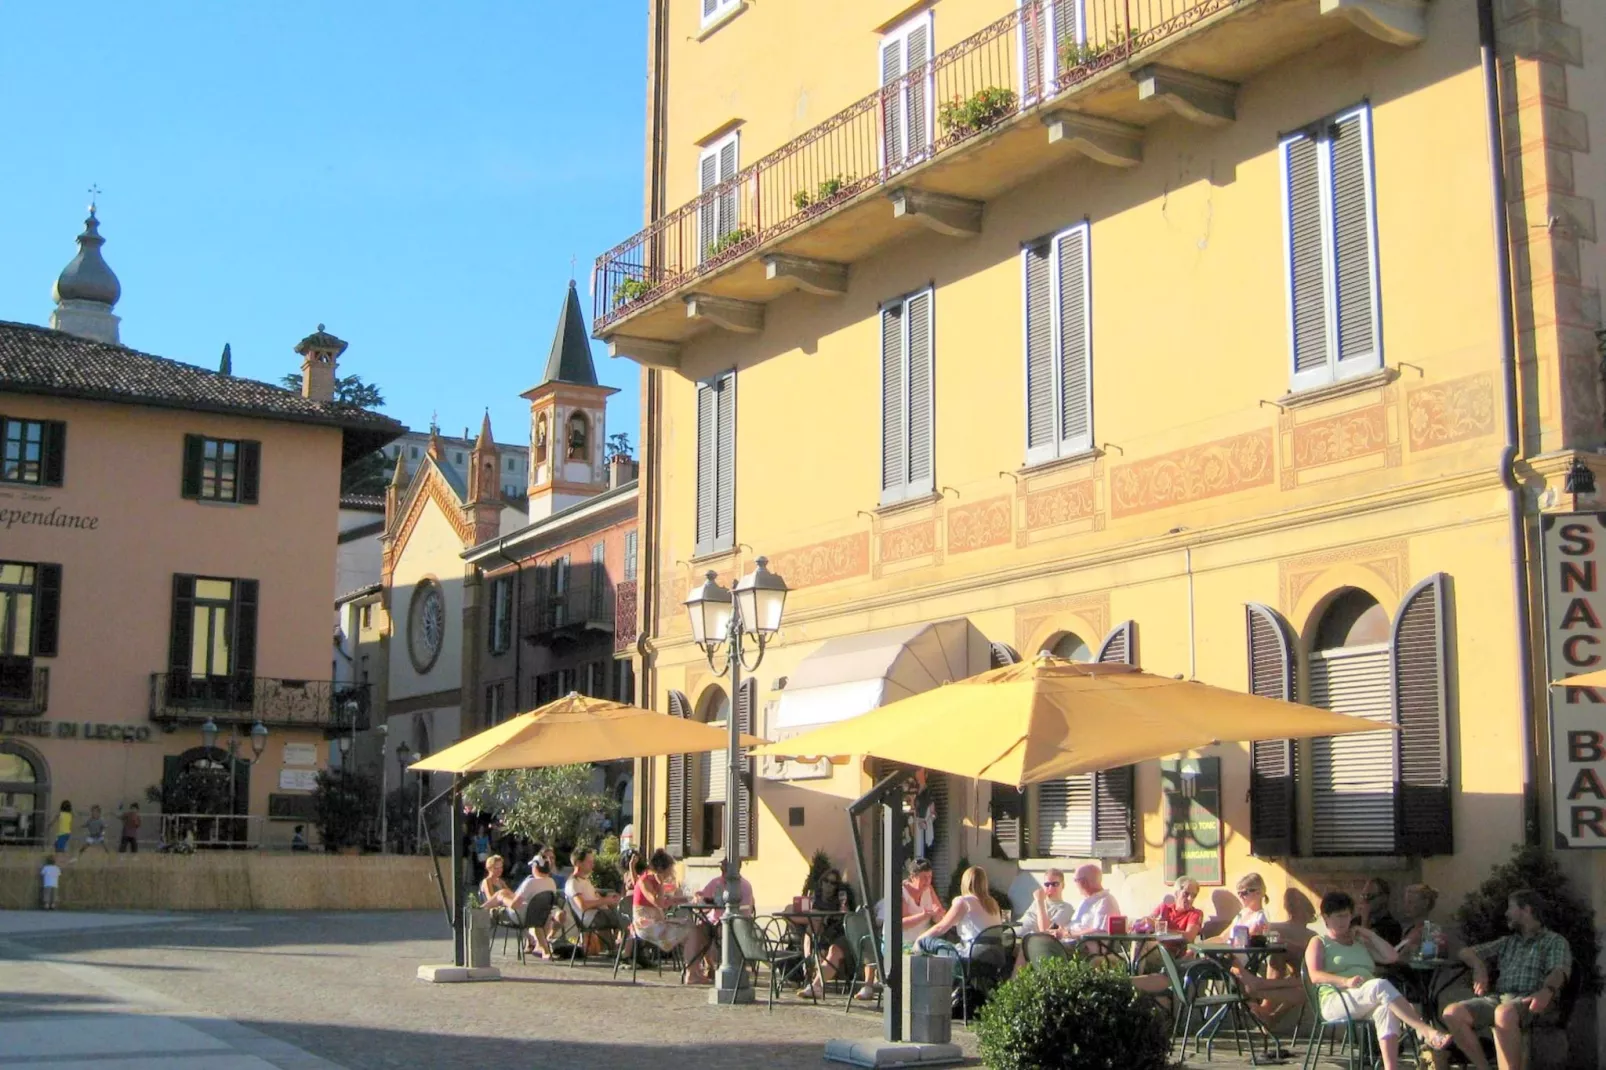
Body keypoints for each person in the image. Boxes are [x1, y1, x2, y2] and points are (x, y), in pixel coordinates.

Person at [1305, 890, 1451, 1070]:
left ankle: (1391, 1067)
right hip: (1336, 1000)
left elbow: (1391, 957)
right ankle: (1425, 1030)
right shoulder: (1319, 942)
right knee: (1380, 985)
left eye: (1347, 916)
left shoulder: (1359, 943)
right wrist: (1345, 981)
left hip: (1366, 997)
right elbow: (1315, 975)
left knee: (1386, 1009)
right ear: (1326, 917)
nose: (1344, 921)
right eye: (1338, 917)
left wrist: (1369, 935)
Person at [1438, 889, 1573, 1070]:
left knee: (1504, 1013)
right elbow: (1466, 952)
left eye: (1511, 908)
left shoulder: (1553, 941)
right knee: (1452, 1013)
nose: (1506, 914)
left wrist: (1546, 991)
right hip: (1500, 998)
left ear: (1527, 910)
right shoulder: (1508, 942)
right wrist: (1479, 967)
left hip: (1533, 998)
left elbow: (1560, 970)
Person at [630, 849, 700, 979]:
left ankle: (696, 971)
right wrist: (661, 884)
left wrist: (689, 898)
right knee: (691, 932)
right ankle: (691, 974)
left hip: (656, 922)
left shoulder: (653, 880)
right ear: (662, 869)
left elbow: (667, 900)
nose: (671, 872)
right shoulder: (644, 881)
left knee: (696, 930)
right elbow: (659, 902)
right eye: (670, 869)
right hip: (646, 926)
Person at [683, 858, 755, 983]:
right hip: (713, 922)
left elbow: (745, 910)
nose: (723, 871)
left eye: (726, 869)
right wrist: (698, 898)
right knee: (696, 932)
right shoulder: (715, 882)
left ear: (736, 869)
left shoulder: (744, 886)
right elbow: (703, 899)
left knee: (720, 933)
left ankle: (720, 968)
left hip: (735, 923)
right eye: (722, 868)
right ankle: (693, 972)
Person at [915, 865, 1003, 962]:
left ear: (965, 883)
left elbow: (940, 928)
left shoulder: (964, 901)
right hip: (996, 956)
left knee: (928, 942)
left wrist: (919, 940)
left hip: (973, 956)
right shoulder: (993, 903)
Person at [801, 867, 859, 999]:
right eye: (826, 881)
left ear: (836, 887)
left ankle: (813, 980)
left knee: (830, 947)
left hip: (839, 936)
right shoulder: (815, 898)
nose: (828, 885)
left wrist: (845, 910)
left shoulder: (841, 899)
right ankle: (809, 960)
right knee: (812, 929)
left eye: (832, 883)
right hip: (821, 937)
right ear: (821, 882)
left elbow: (851, 918)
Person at [567, 846, 627, 953]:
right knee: (627, 918)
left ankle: (619, 949)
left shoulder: (585, 880)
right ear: (578, 863)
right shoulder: (573, 883)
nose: (592, 864)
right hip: (591, 918)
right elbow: (583, 905)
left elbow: (595, 898)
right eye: (589, 862)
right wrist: (605, 901)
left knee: (624, 911)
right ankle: (628, 951)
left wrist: (610, 899)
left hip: (599, 914)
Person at [511, 855, 559, 958]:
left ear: (535, 867)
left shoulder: (530, 882)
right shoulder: (552, 882)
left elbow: (514, 905)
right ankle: (542, 948)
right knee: (537, 918)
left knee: (502, 895)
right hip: (543, 917)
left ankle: (482, 909)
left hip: (525, 917)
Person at [1064, 863, 1120, 937]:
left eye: (1075, 880)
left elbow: (1099, 932)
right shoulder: (1085, 901)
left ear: (1084, 882)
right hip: (1070, 943)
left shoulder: (1106, 901)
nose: (1075, 884)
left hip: (1084, 946)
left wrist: (1069, 934)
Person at [1020, 867, 1077, 936]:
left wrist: (1040, 902)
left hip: (1029, 941)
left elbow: (1046, 931)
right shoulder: (1037, 902)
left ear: (1063, 885)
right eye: (1047, 884)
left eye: (1055, 884)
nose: (1050, 888)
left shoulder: (1066, 908)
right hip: (1014, 934)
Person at [1147, 875, 1205, 944]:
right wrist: (1146, 922)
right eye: (1186, 894)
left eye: (1194, 896)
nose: (1190, 899)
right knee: (1140, 943)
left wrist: (1161, 929)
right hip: (1157, 947)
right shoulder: (1163, 907)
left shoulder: (1195, 913)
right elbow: (1149, 922)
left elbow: (1189, 936)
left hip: (1177, 952)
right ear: (1176, 893)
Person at [1395, 883, 1441, 957]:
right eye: (1405, 902)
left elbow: (1428, 959)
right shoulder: (1408, 930)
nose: (1406, 906)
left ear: (1425, 903)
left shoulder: (1430, 930)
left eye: (1411, 902)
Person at [1359, 877, 1403, 946]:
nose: (1365, 901)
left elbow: (1365, 946)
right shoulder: (1356, 921)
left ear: (1384, 898)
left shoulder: (1391, 926)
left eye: (1370, 896)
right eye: (1363, 896)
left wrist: (1365, 920)